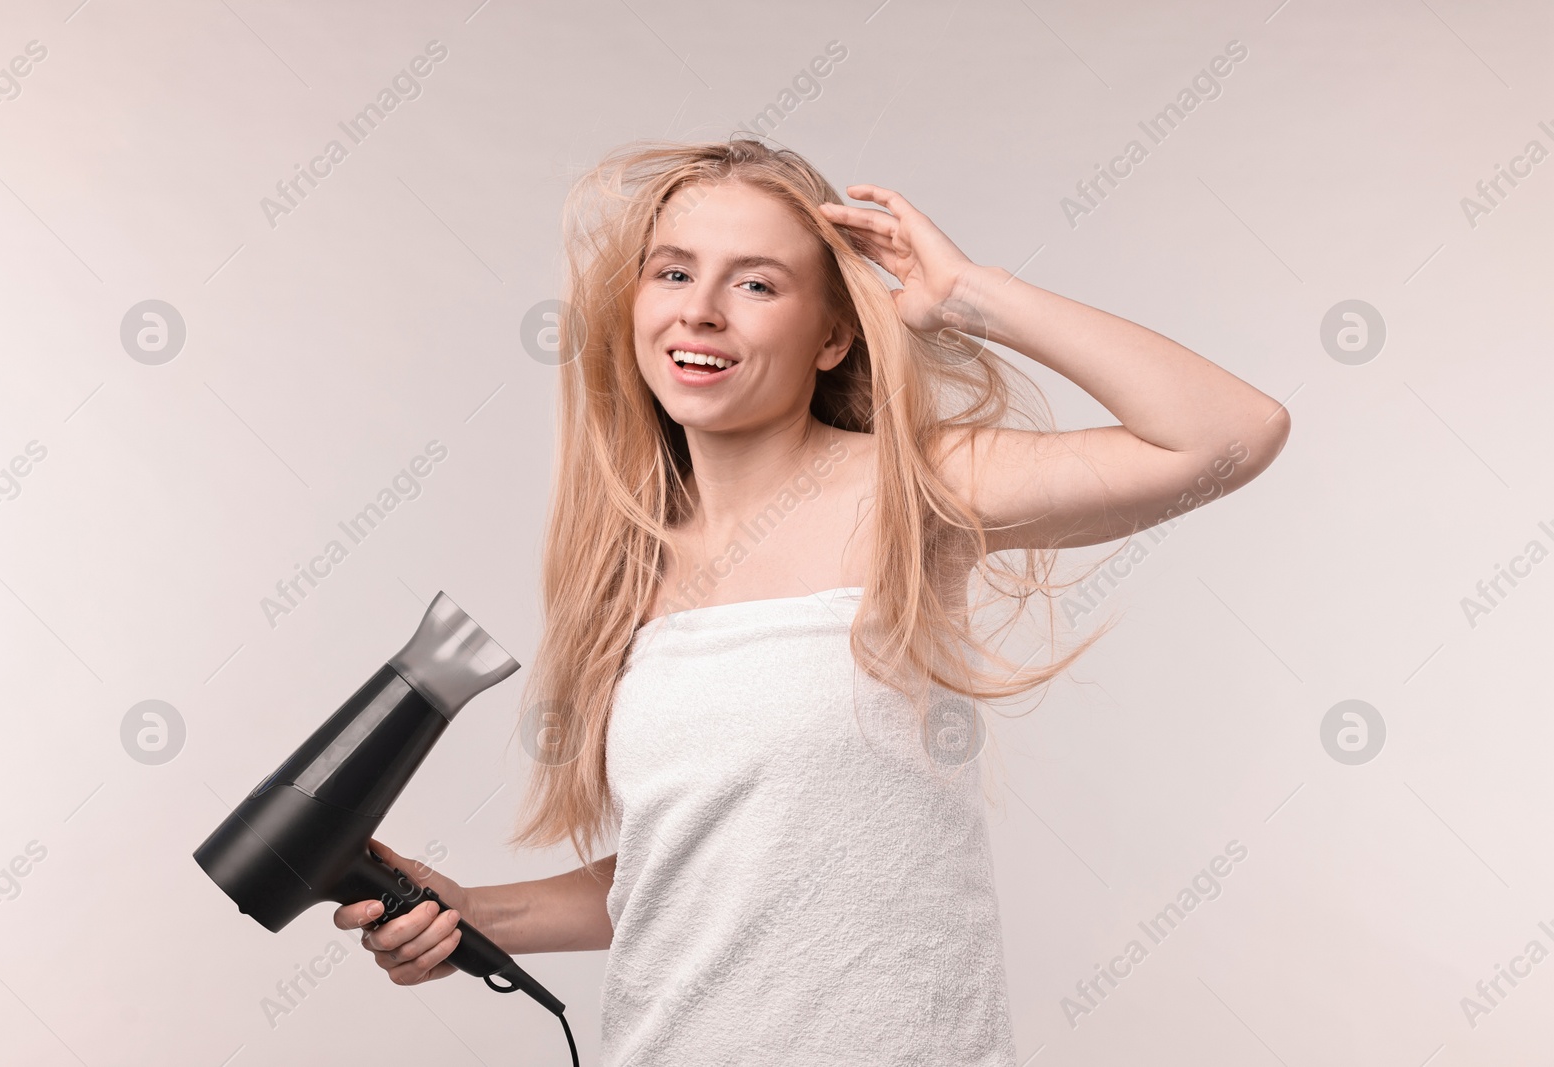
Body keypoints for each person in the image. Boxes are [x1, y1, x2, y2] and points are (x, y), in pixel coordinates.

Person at [333, 136, 1290, 1063]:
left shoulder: (916, 487)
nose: (700, 310)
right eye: (672, 273)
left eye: (755, 282)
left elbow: (1228, 434)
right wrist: (469, 908)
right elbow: (694, 868)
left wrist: (965, 294)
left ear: (833, 334)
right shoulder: (626, 562)